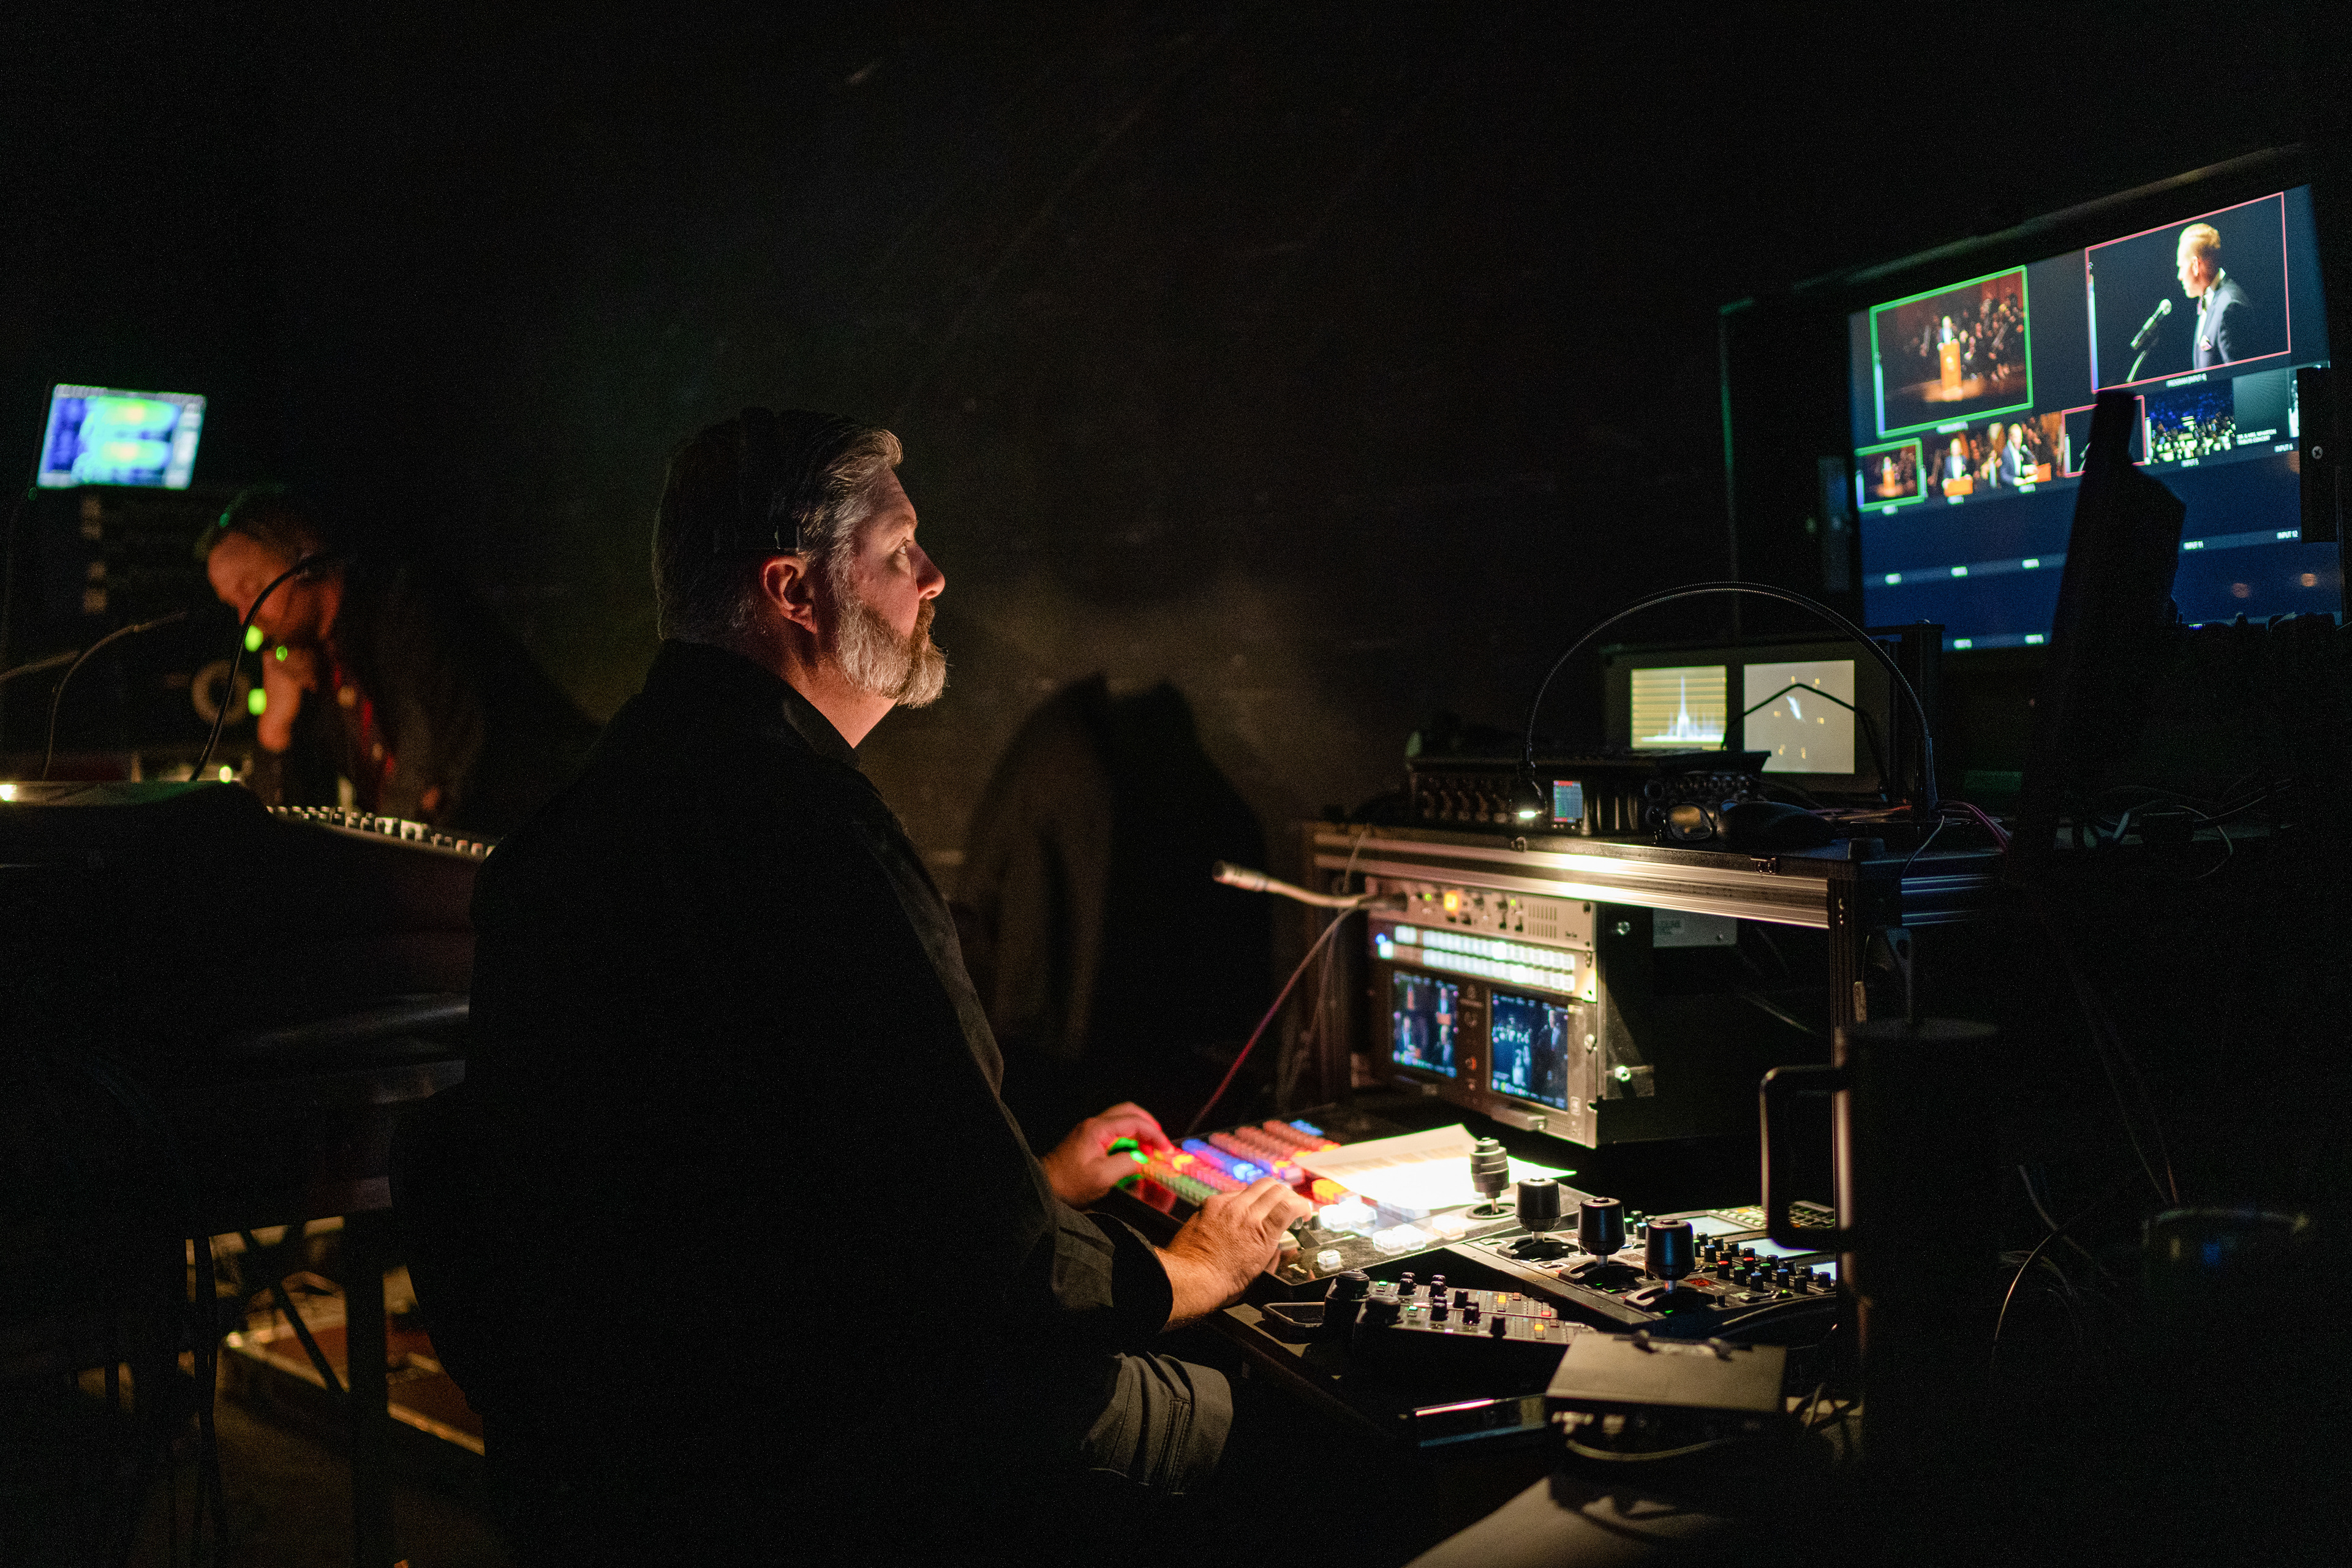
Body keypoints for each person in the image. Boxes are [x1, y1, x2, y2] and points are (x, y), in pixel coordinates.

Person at [434, 409, 1313, 1564]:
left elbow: (761, 1179)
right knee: (1297, 1443)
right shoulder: (805, 831)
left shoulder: (596, 809)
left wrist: (1038, 1183)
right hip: (824, 1451)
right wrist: (1181, 1271)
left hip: (635, 1458)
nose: (935, 579)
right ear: (795, 593)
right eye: (900, 552)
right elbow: (971, 1255)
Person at [198, 488, 599, 834]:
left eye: (250, 590)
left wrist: (384, 875)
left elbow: (430, 771)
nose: (245, 616)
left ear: (306, 558)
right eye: (232, 602)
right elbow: (285, 833)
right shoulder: (312, 668)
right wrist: (275, 729)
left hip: (573, 835)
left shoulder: (405, 605)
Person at [2176, 221, 2247, 369]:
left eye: (2181, 267)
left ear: (2195, 265)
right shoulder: (2212, 299)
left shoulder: (2230, 306)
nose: (2179, 276)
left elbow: (2238, 379)